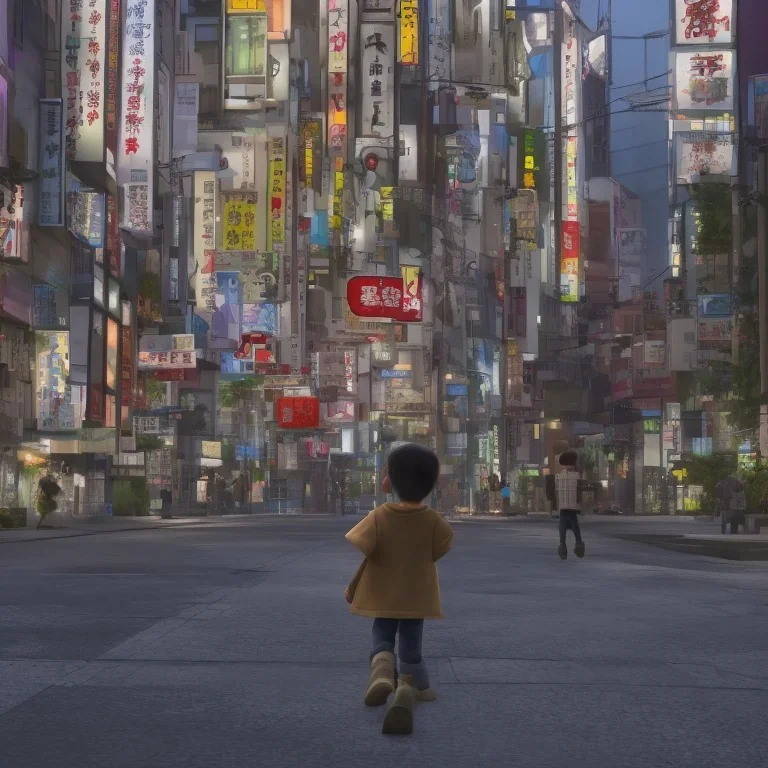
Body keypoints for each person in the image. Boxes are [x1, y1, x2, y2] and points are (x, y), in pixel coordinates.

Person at [344, 443, 454, 735]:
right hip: (417, 595)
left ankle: (381, 670)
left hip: (382, 592)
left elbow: (360, 542)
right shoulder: (432, 519)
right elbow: (441, 547)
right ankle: (410, 687)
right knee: (411, 643)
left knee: (382, 632)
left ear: (389, 480)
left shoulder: (381, 515)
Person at [546, 448, 585, 560]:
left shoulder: (558, 477)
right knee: (574, 524)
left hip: (562, 506)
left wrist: (553, 506)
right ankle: (578, 544)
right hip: (573, 506)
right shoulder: (577, 476)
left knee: (562, 525)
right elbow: (580, 491)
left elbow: (552, 492)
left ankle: (563, 546)